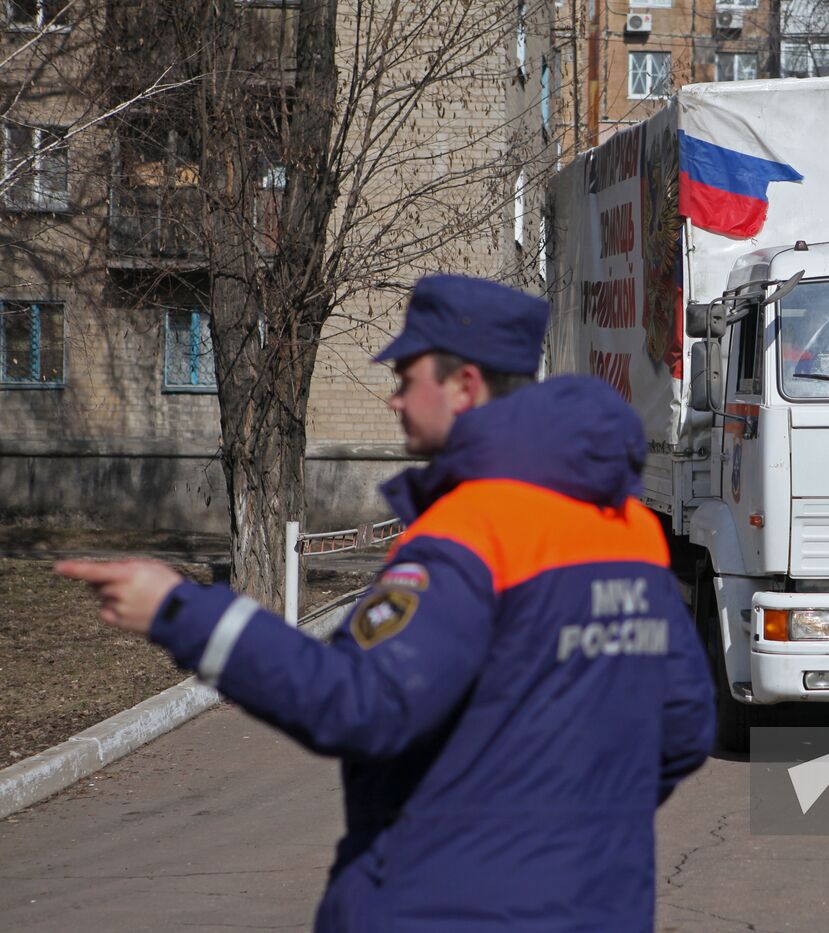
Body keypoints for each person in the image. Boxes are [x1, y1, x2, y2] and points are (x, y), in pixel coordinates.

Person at [57, 274, 716, 932]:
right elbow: (684, 724)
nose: (394, 398)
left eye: (406, 376)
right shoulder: (624, 523)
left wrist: (183, 612)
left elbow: (359, 702)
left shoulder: (468, 532)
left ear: (464, 385)